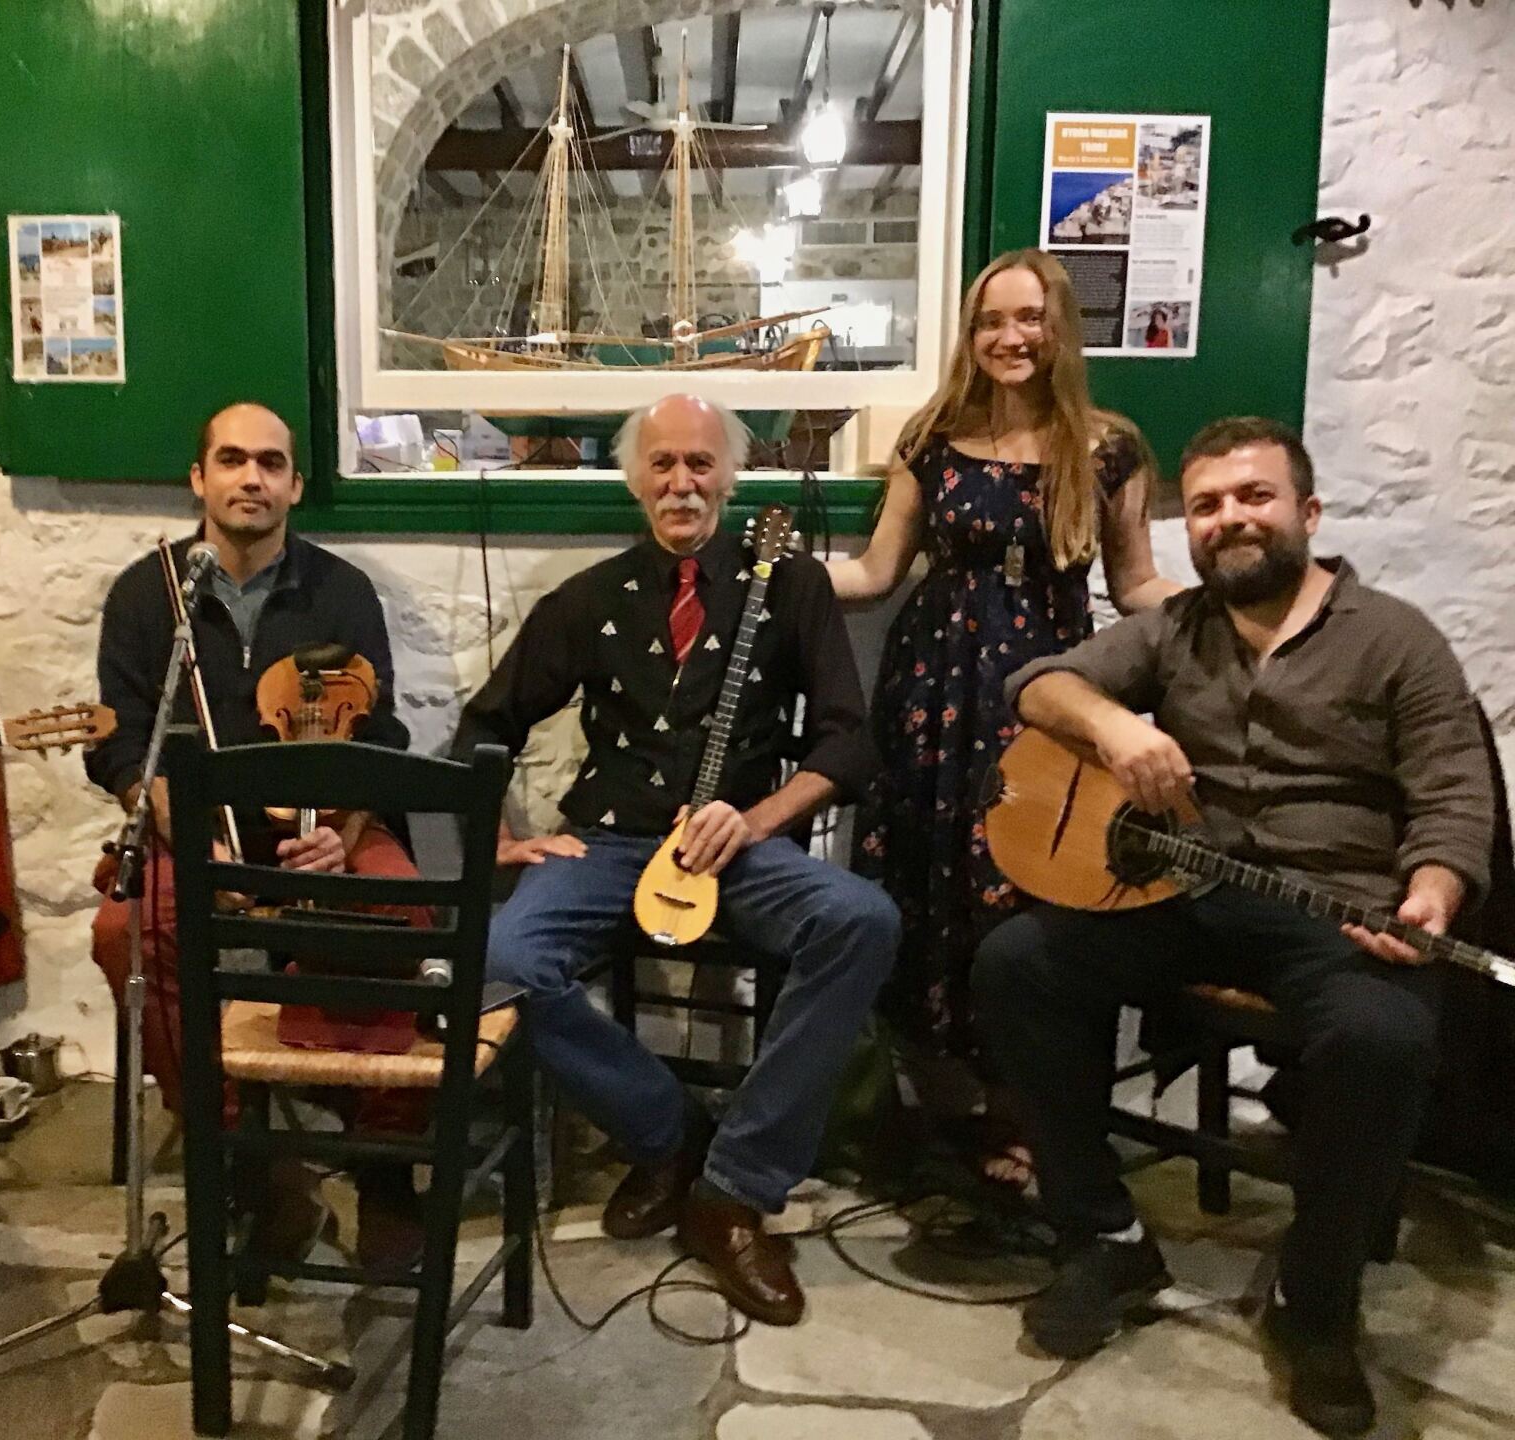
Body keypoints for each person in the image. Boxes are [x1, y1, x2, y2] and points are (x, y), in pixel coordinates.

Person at [974, 417, 1491, 1436]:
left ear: (1306, 512)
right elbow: (1034, 683)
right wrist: (1116, 723)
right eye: (1207, 505)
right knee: (1017, 963)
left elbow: (1454, 796)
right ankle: (1108, 1235)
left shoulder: (1395, 637)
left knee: (1384, 1036)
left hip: (1330, 909)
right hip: (1189, 895)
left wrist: (1431, 890)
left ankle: (1316, 1300)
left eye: (1252, 497)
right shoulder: (1174, 629)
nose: (1229, 520)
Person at [456, 393, 901, 1326]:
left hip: (737, 844)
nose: (682, 483)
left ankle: (732, 1186)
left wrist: (760, 818)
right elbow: (483, 730)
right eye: (663, 465)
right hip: (609, 839)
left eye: (700, 464)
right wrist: (501, 837)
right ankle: (664, 1132)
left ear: (731, 476)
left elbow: (847, 742)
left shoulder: (790, 585)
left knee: (861, 921)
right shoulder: (586, 602)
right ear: (633, 478)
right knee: (496, 961)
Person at [826, 248, 1178, 1188]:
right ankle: (942, 1110)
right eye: (990, 321)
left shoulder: (1110, 447)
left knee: (1029, 884)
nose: (1009, 338)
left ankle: (1027, 1110)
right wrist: (776, 577)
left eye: (1028, 319)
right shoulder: (933, 435)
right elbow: (873, 573)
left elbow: (1136, 583)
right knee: (927, 878)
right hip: (933, 689)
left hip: (1050, 689)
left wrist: (1233, 608)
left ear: (1060, 327)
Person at [85, 400, 425, 1266]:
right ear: (199, 478)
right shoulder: (145, 593)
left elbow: (379, 734)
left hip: (328, 827)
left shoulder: (340, 591)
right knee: (128, 934)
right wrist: (187, 835)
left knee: (400, 917)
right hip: (197, 832)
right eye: (232, 460)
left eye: (271, 463)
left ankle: (383, 1165)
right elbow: (126, 742)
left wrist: (341, 832)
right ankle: (252, 1167)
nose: (251, 478)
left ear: (295, 486)